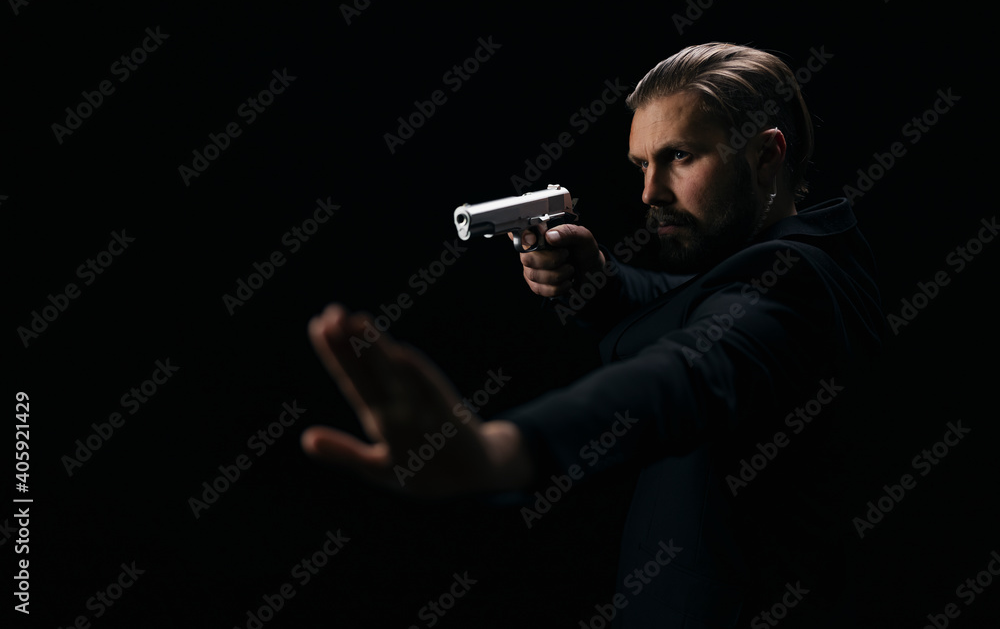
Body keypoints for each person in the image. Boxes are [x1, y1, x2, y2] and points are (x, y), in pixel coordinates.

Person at [300, 43, 883, 627]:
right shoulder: (820, 254)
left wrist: (506, 449)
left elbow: (688, 371)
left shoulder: (787, 281)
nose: (651, 193)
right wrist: (600, 286)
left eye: (680, 156)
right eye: (641, 165)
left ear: (765, 154)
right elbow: (695, 306)